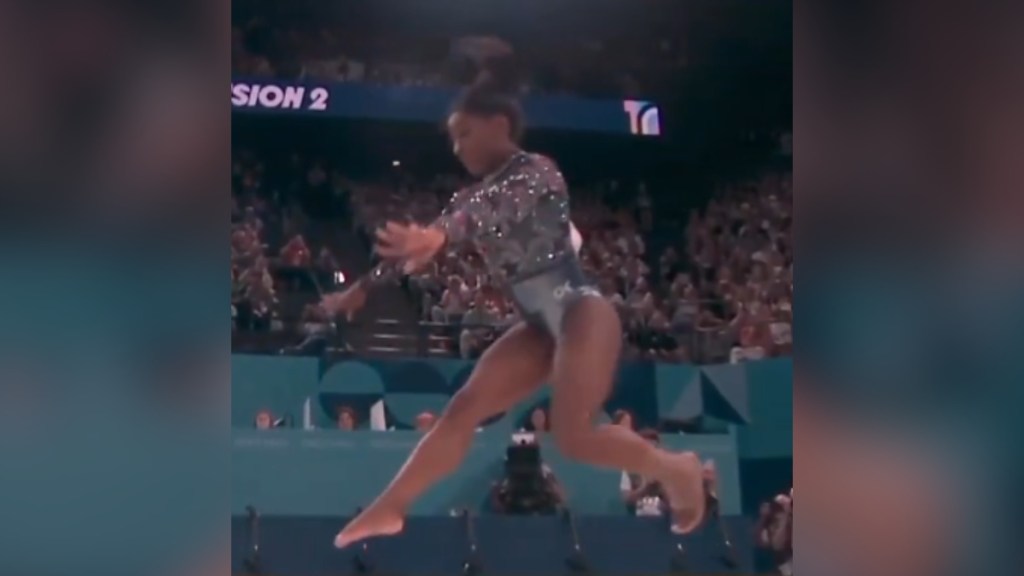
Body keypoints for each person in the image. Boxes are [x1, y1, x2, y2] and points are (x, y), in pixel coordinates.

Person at [321, 38, 706, 548]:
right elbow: (437, 233)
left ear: (499, 127)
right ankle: (391, 508)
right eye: (452, 139)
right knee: (463, 408)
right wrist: (366, 289)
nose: (456, 147)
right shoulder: (469, 196)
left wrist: (442, 236)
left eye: (464, 134)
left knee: (574, 436)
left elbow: (488, 212)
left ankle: (673, 467)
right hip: (538, 328)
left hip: (580, 313)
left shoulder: (538, 172)